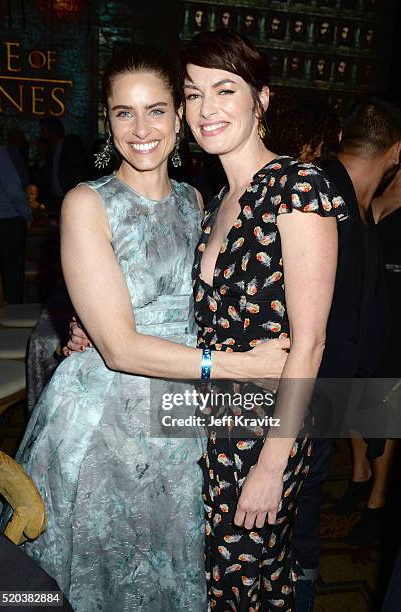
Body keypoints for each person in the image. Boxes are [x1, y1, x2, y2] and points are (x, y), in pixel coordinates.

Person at [0, 44, 289, 612]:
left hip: (179, 417)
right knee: (98, 579)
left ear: (180, 116)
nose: (141, 128)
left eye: (156, 109)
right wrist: (242, 367)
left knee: (163, 567)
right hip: (106, 422)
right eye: (123, 112)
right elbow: (121, 347)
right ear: (106, 120)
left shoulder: (197, 200)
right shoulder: (87, 203)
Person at [181, 29, 347, 610]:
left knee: (242, 581)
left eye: (225, 90)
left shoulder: (298, 187)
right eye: (193, 93)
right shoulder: (213, 201)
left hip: (262, 431)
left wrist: (273, 464)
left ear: (263, 100)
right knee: (215, 579)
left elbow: (311, 343)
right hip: (204, 418)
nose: (206, 109)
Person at [293, 97, 401, 611]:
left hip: (328, 393)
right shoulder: (323, 197)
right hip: (302, 393)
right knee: (294, 515)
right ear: (395, 152)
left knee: (303, 510)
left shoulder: (360, 205)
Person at [0, 122, 32, 304]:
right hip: (7, 222)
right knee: (11, 280)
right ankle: (12, 315)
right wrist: (27, 215)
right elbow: (14, 190)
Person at [36, 117, 89, 217]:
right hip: (57, 201)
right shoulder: (50, 152)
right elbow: (45, 179)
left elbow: (79, 172)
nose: (41, 135)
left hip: (73, 200)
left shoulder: (70, 146)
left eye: (43, 131)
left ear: (52, 132)